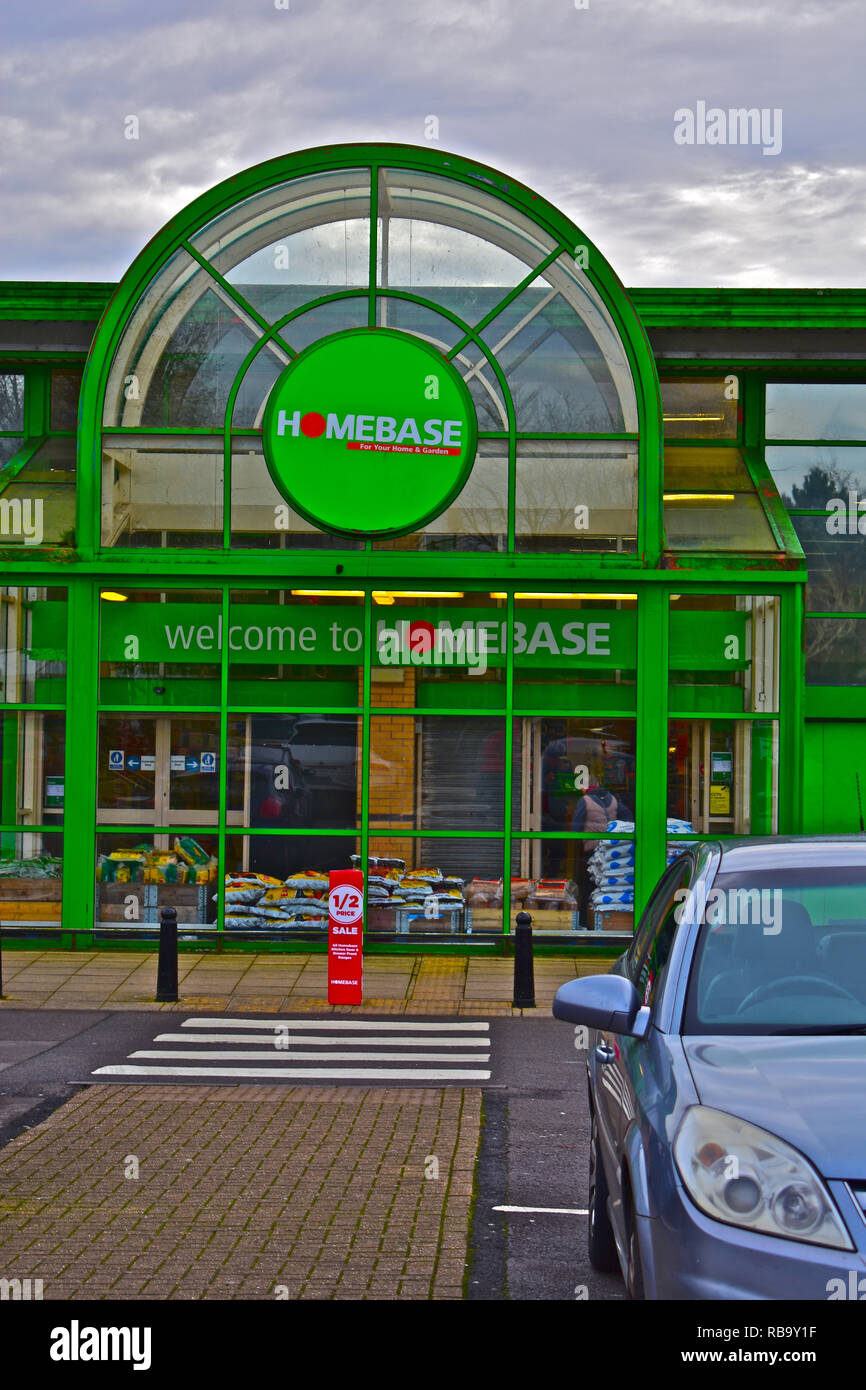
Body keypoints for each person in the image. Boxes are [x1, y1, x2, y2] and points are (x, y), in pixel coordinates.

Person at [571, 785, 633, 928]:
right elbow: (629, 819)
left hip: (590, 852)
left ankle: (584, 922)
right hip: (610, 851)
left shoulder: (585, 800)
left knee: (586, 887)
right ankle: (605, 921)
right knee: (605, 887)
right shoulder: (613, 800)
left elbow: (575, 827)